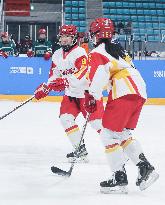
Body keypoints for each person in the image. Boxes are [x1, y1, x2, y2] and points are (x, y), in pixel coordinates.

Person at [85, 17, 159, 193]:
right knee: (122, 133)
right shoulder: (119, 49)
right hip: (139, 88)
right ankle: (145, 168)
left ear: (95, 35)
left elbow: (100, 74)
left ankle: (119, 177)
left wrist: (92, 96)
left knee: (108, 134)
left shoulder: (97, 52)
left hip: (123, 89)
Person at [34, 24, 104, 162]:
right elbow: (54, 74)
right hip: (71, 96)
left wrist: (65, 81)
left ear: (74, 38)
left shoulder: (80, 53)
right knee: (65, 119)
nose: (64, 39)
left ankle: (118, 147)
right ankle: (80, 151)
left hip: (87, 94)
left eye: (68, 36)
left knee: (97, 124)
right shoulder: (57, 54)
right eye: (62, 36)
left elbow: (82, 75)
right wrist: (47, 87)